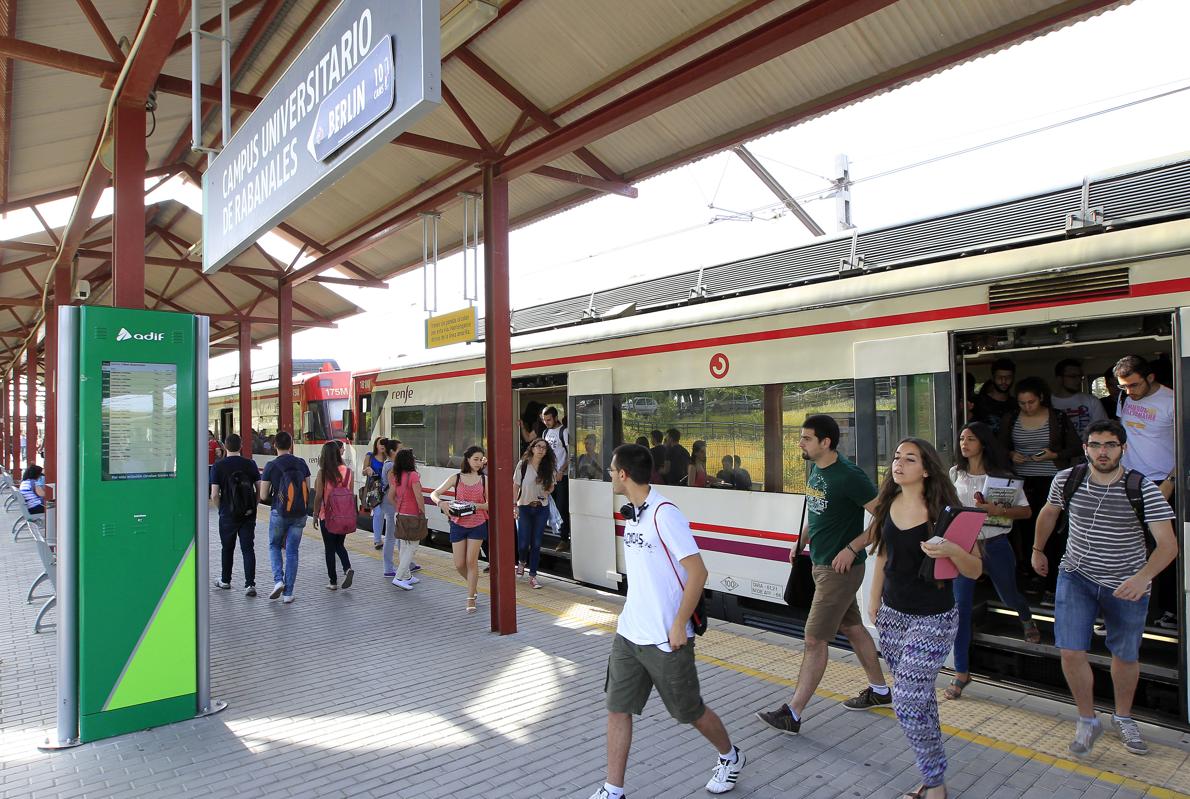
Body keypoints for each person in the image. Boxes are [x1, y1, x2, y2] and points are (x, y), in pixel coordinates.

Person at [587, 444, 745, 799]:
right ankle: (614, 789)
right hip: (630, 634)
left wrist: (678, 624)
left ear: (623, 474)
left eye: (612, 470)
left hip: (666, 639)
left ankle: (730, 756)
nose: (610, 475)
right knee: (617, 708)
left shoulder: (664, 513)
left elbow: (698, 572)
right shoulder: (635, 513)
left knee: (690, 711)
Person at [1031, 419, 1177, 757]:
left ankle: (1123, 717)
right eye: (1095, 445)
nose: (1103, 451)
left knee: (1125, 655)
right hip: (1076, 576)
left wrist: (1143, 577)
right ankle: (1087, 719)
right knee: (1070, 651)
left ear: (1123, 448)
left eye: (1110, 445)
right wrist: (1038, 550)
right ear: (1085, 449)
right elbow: (1049, 513)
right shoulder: (1068, 479)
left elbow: (1168, 545)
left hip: (1126, 584)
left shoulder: (1142, 487)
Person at [757, 415, 891, 735]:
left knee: (814, 638)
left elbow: (885, 517)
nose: (800, 443)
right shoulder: (817, 469)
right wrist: (801, 539)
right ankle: (880, 691)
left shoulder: (849, 476)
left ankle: (794, 712)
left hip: (839, 570)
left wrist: (852, 546)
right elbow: (818, 512)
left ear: (825, 442)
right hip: (820, 564)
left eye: (806, 438)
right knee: (854, 628)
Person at [867, 437, 982, 799]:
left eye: (910, 459)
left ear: (927, 469)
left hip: (933, 617)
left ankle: (934, 782)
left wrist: (950, 549)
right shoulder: (888, 503)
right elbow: (884, 556)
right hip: (892, 615)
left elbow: (975, 569)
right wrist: (874, 602)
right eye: (897, 457)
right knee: (921, 700)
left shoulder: (946, 513)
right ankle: (934, 774)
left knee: (906, 697)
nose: (898, 464)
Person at [945, 423, 1036, 700]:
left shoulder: (1002, 477)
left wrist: (998, 510)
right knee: (959, 610)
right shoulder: (955, 473)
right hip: (964, 547)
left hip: (995, 543)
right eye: (962, 438)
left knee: (1008, 594)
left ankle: (1026, 617)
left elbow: (1027, 511)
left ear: (983, 442)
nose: (964, 443)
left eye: (971, 438)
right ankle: (962, 672)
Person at [998, 376, 1080, 591]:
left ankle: (1053, 577)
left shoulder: (1057, 417)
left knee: (1051, 529)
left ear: (1041, 398)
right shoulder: (1011, 417)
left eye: (1031, 402)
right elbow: (999, 446)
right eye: (1022, 403)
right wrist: (1011, 454)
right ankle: (1030, 574)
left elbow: (1076, 447)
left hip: (1052, 479)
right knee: (1022, 530)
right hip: (1020, 482)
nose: (1027, 407)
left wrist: (1054, 454)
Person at [1114, 355, 1177, 629]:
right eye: (1124, 387)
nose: (1129, 392)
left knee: (1165, 547)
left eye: (1134, 385)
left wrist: (1170, 483)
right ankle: (1121, 607)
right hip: (1129, 481)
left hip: (1163, 481)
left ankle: (1170, 610)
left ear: (1150, 378)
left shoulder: (1172, 401)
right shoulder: (1124, 398)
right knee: (1125, 547)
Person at [431, 445, 489, 613]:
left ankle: (471, 598)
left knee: (472, 562)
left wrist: (474, 505)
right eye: (475, 459)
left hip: (477, 523)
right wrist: (441, 503)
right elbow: (435, 493)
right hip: (457, 523)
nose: (478, 463)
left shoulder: (484, 480)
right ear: (468, 460)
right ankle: (473, 585)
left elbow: (489, 504)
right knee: (458, 564)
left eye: (480, 459)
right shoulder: (456, 478)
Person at [258, 431, 310, 604]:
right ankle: (288, 593)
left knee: (274, 545)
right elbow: (307, 490)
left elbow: (263, 495)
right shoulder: (301, 463)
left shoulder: (271, 465)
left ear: (274, 446)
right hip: (299, 515)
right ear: (291, 445)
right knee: (292, 551)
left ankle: (278, 580)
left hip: (279, 512)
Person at [209, 434, 261, 596]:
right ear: (241, 446)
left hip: (227, 513)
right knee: (248, 549)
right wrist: (254, 505)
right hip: (248, 514)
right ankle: (250, 584)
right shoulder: (250, 464)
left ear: (225, 446)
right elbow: (259, 489)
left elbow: (214, 494)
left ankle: (225, 580)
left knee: (227, 548)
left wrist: (221, 509)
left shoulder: (219, 466)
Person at [311, 441, 355, 591]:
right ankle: (347, 567)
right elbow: (351, 495)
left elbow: (318, 496)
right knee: (339, 545)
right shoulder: (348, 472)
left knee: (329, 548)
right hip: (344, 516)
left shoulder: (323, 473)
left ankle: (333, 581)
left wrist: (315, 514)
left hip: (327, 515)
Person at [514, 438, 555, 590]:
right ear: (532, 448)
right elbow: (516, 485)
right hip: (524, 507)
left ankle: (533, 576)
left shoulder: (549, 466)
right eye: (538, 446)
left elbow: (551, 487)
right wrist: (514, 505)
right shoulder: (523, 465)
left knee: (536, 543)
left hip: (541, 508)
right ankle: (522, 561)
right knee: (523, 543)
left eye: (544, 448)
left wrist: (547, 488)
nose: (541, 450)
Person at [388, 448, 424, 590]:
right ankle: (398, 577)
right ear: (410, 460)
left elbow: (390, 496)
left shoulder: (397, 476)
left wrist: (399, 507)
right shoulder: (413, 476)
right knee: (412, 546)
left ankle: (407, 576)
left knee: (404, 545)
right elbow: (419, 496)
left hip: (400, 514)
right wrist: (422, 513)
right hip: (412, 515)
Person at [1051, 358, 1106, 437]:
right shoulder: (1048, 403)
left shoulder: (1092, 401)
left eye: (1080, 376)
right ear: (1059, 379)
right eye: (1073, 376)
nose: (1078, 380)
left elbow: (1103, 430)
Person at [542, 406, 571, 552]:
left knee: (561, 508)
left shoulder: (563, 432)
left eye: (548, 419)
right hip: (549, 477)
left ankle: (564, 539)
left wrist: (562, 470)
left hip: (561, 478)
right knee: (546, 506)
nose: (546, 422)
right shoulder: (545, 432)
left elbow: (571, 454)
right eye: (544, 420)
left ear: (555, 418)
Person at [973, 358, 1016, 435]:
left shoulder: (1016, 404)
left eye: (1008, 377)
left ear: (1013, 378)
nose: (1004, 381)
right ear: (993, 378)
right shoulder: (979, 402)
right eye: (1000, 377)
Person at [364, 437, 389, 549]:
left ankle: (388, 539)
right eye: (380, 443)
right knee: (378, 513)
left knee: (388, 514)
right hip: (374, 489)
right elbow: (363, 471)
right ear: (376, 445)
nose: (382, 446)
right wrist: (368, 470)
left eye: (384, 444)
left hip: (387, 489)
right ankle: (377, 540)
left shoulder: (389, 458)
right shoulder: (370, 456)